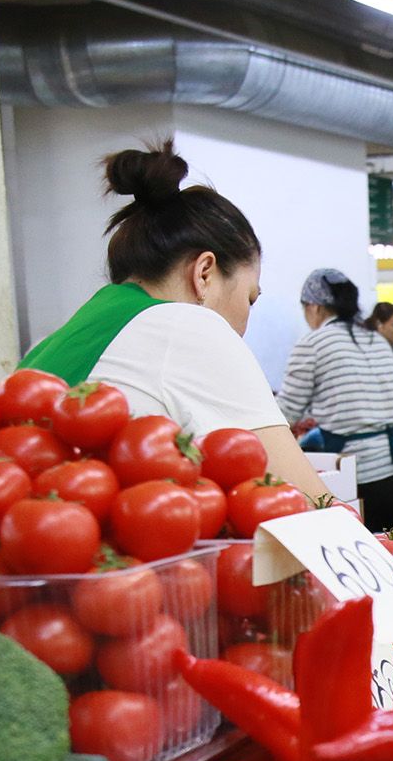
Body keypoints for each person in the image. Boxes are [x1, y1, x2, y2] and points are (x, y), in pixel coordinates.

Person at [17, 141, 329, 499]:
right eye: (249, 298)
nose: (245, 325)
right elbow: (309, 502)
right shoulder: (189, 326)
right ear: (205, 273)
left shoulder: (60, 336)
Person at [278, 269, 393, 531]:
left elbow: (284, 415)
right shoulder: (376, 339)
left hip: (367, 474)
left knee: (378, 557)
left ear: (314, 308)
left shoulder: (313, 343)